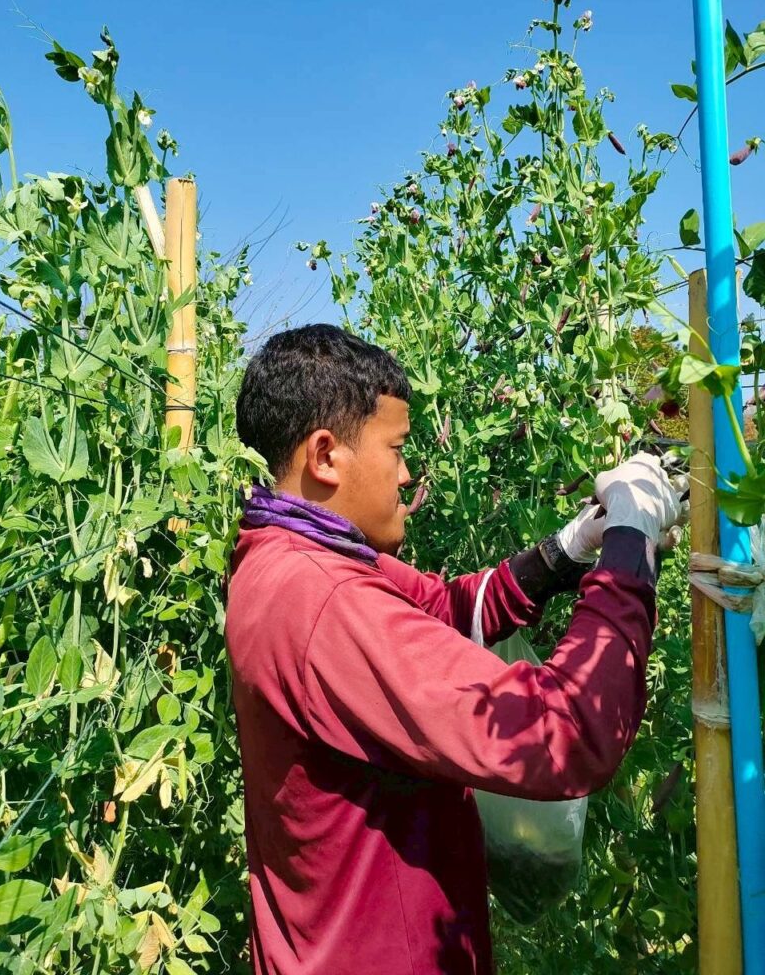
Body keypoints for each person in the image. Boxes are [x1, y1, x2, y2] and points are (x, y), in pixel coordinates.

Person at [225, 323, 683, 975]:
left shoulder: (283, 554)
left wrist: (569, 547)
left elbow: (442, 611)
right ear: (325, 455)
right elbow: (564, 731)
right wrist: (632, 547)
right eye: (396, 449)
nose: (407, 474)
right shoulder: (325, 601)